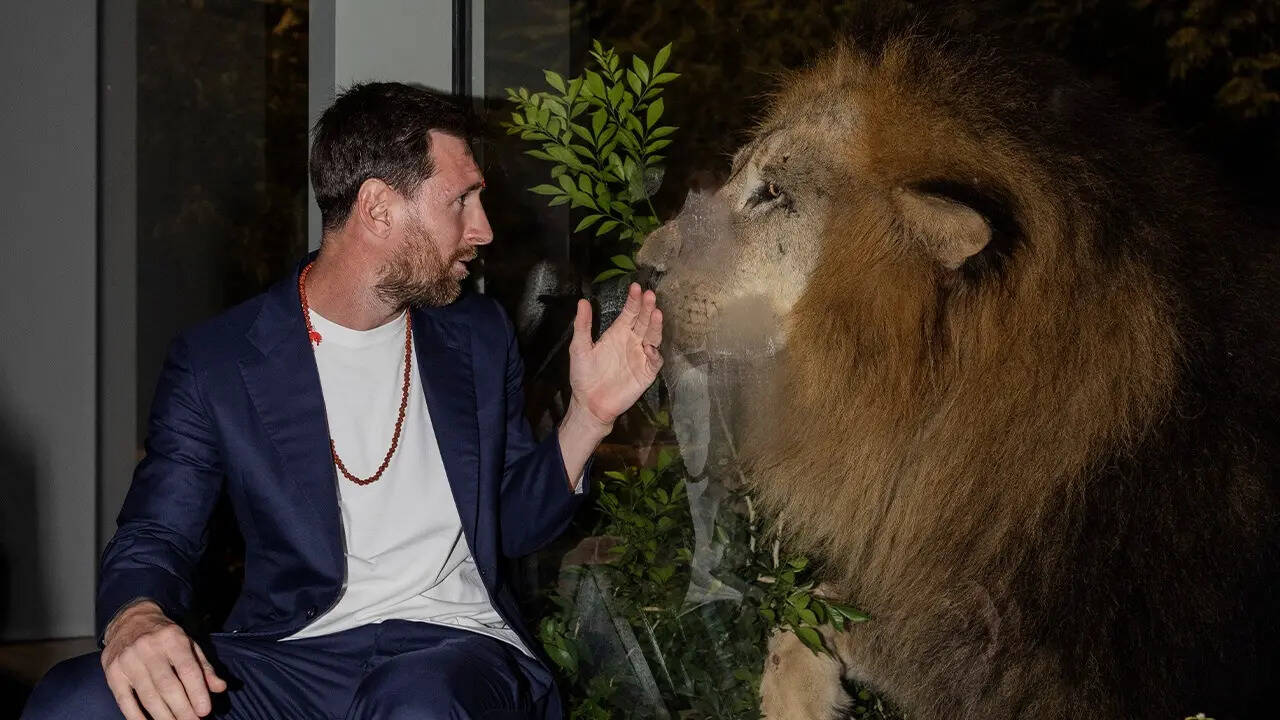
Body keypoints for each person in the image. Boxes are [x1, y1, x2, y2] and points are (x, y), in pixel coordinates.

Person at [23, 82, 663, 720]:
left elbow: (514, 525)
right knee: (76, 699)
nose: (484, 229)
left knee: (416, 702)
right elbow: (157, 531)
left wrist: (589, 417)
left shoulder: (477, 336)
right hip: (293, 657)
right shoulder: (219, 362)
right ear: (379, 208)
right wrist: (136, 616)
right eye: (461, 200)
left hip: (452, 648)